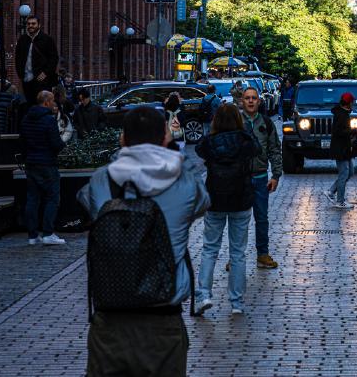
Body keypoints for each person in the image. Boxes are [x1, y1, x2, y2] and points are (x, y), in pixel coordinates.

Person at [78, 105, 209, 377]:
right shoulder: (185, 182)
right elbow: (202, 203)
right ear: (166, 136)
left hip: (110, 320)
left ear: (123, 138)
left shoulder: (102, 180)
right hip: (163, 321)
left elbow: (86, 201)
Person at [194, 103, 259, 316]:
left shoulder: (210, 142)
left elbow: (199, 148)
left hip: (215, 200)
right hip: (241, 200)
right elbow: (257, 150)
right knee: (238, 252)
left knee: (209, 249)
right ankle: (236, 302)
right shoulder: (245, 139)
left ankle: (203, 295)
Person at [238, 85, 282, 268]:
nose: (250, 101)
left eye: (253, 98)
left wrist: (276, 175)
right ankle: (236, 257)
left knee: (262, 218)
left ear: (259, 101)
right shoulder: (236, 122)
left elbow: (274, 149)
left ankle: (263, 254)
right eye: (247, 98)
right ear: (242, 101)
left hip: (261, 177)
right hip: (240, 179)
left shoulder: (266, 122)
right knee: (239, 219)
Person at [19, 89, 66, 245]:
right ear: (46, 102)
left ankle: (32, 235)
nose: (54, 104)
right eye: (52, 100)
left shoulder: (26, 119)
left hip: (31, 163)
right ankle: (48, 233)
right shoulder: (49, 120)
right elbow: (55, 143)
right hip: (47, 163)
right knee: (52, 198)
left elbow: (23, 143)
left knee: (32, 199)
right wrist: (62, 144)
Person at [14, 15, 59, 107]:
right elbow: (18, 57)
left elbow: (54, 58)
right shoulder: (23, 39)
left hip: (41, 80)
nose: (31, 26)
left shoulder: (47, 39)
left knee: (42, 105)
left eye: (33, 24)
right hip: (26, 78)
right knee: (29, 104)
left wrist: (46, 72)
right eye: (29, 24)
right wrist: (20, 73)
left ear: (39, 25)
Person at [325, 92, 357, 209]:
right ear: (348, 103)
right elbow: (338, 132)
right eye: (352, 102)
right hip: (340, 149)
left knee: (350, 172)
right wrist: (353, 131)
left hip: (345, 149)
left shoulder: (344, 113)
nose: (353, 103)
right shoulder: (341, 115)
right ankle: (340, 201)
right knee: (344, 174)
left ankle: (331, 191)